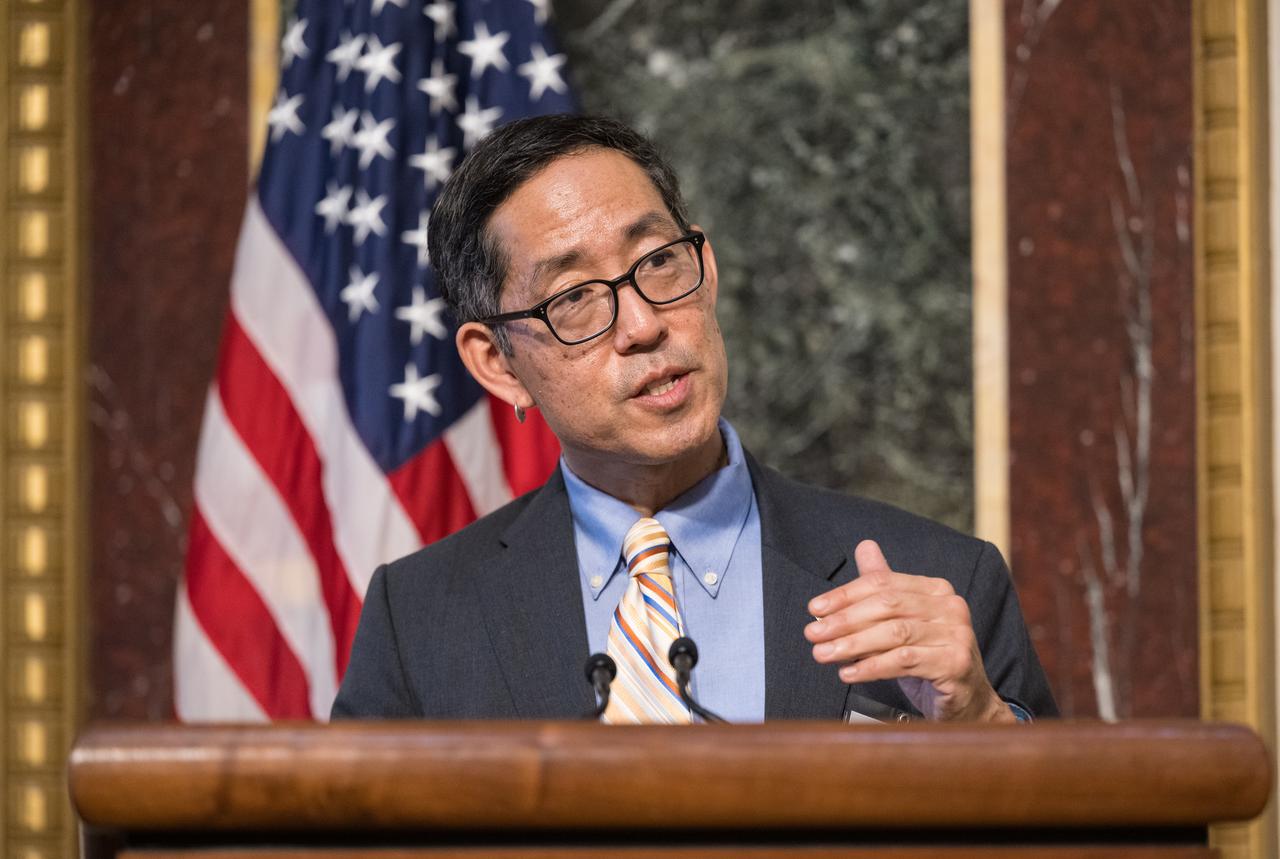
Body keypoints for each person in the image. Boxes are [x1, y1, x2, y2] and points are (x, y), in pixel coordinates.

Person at [332, 115, 1056, 723]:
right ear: (497, 362)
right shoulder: (419, 618)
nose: (643, 324)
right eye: (576, 297)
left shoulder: (942, 576)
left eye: (658, 263)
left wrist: (985, 724)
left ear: (705, 269)